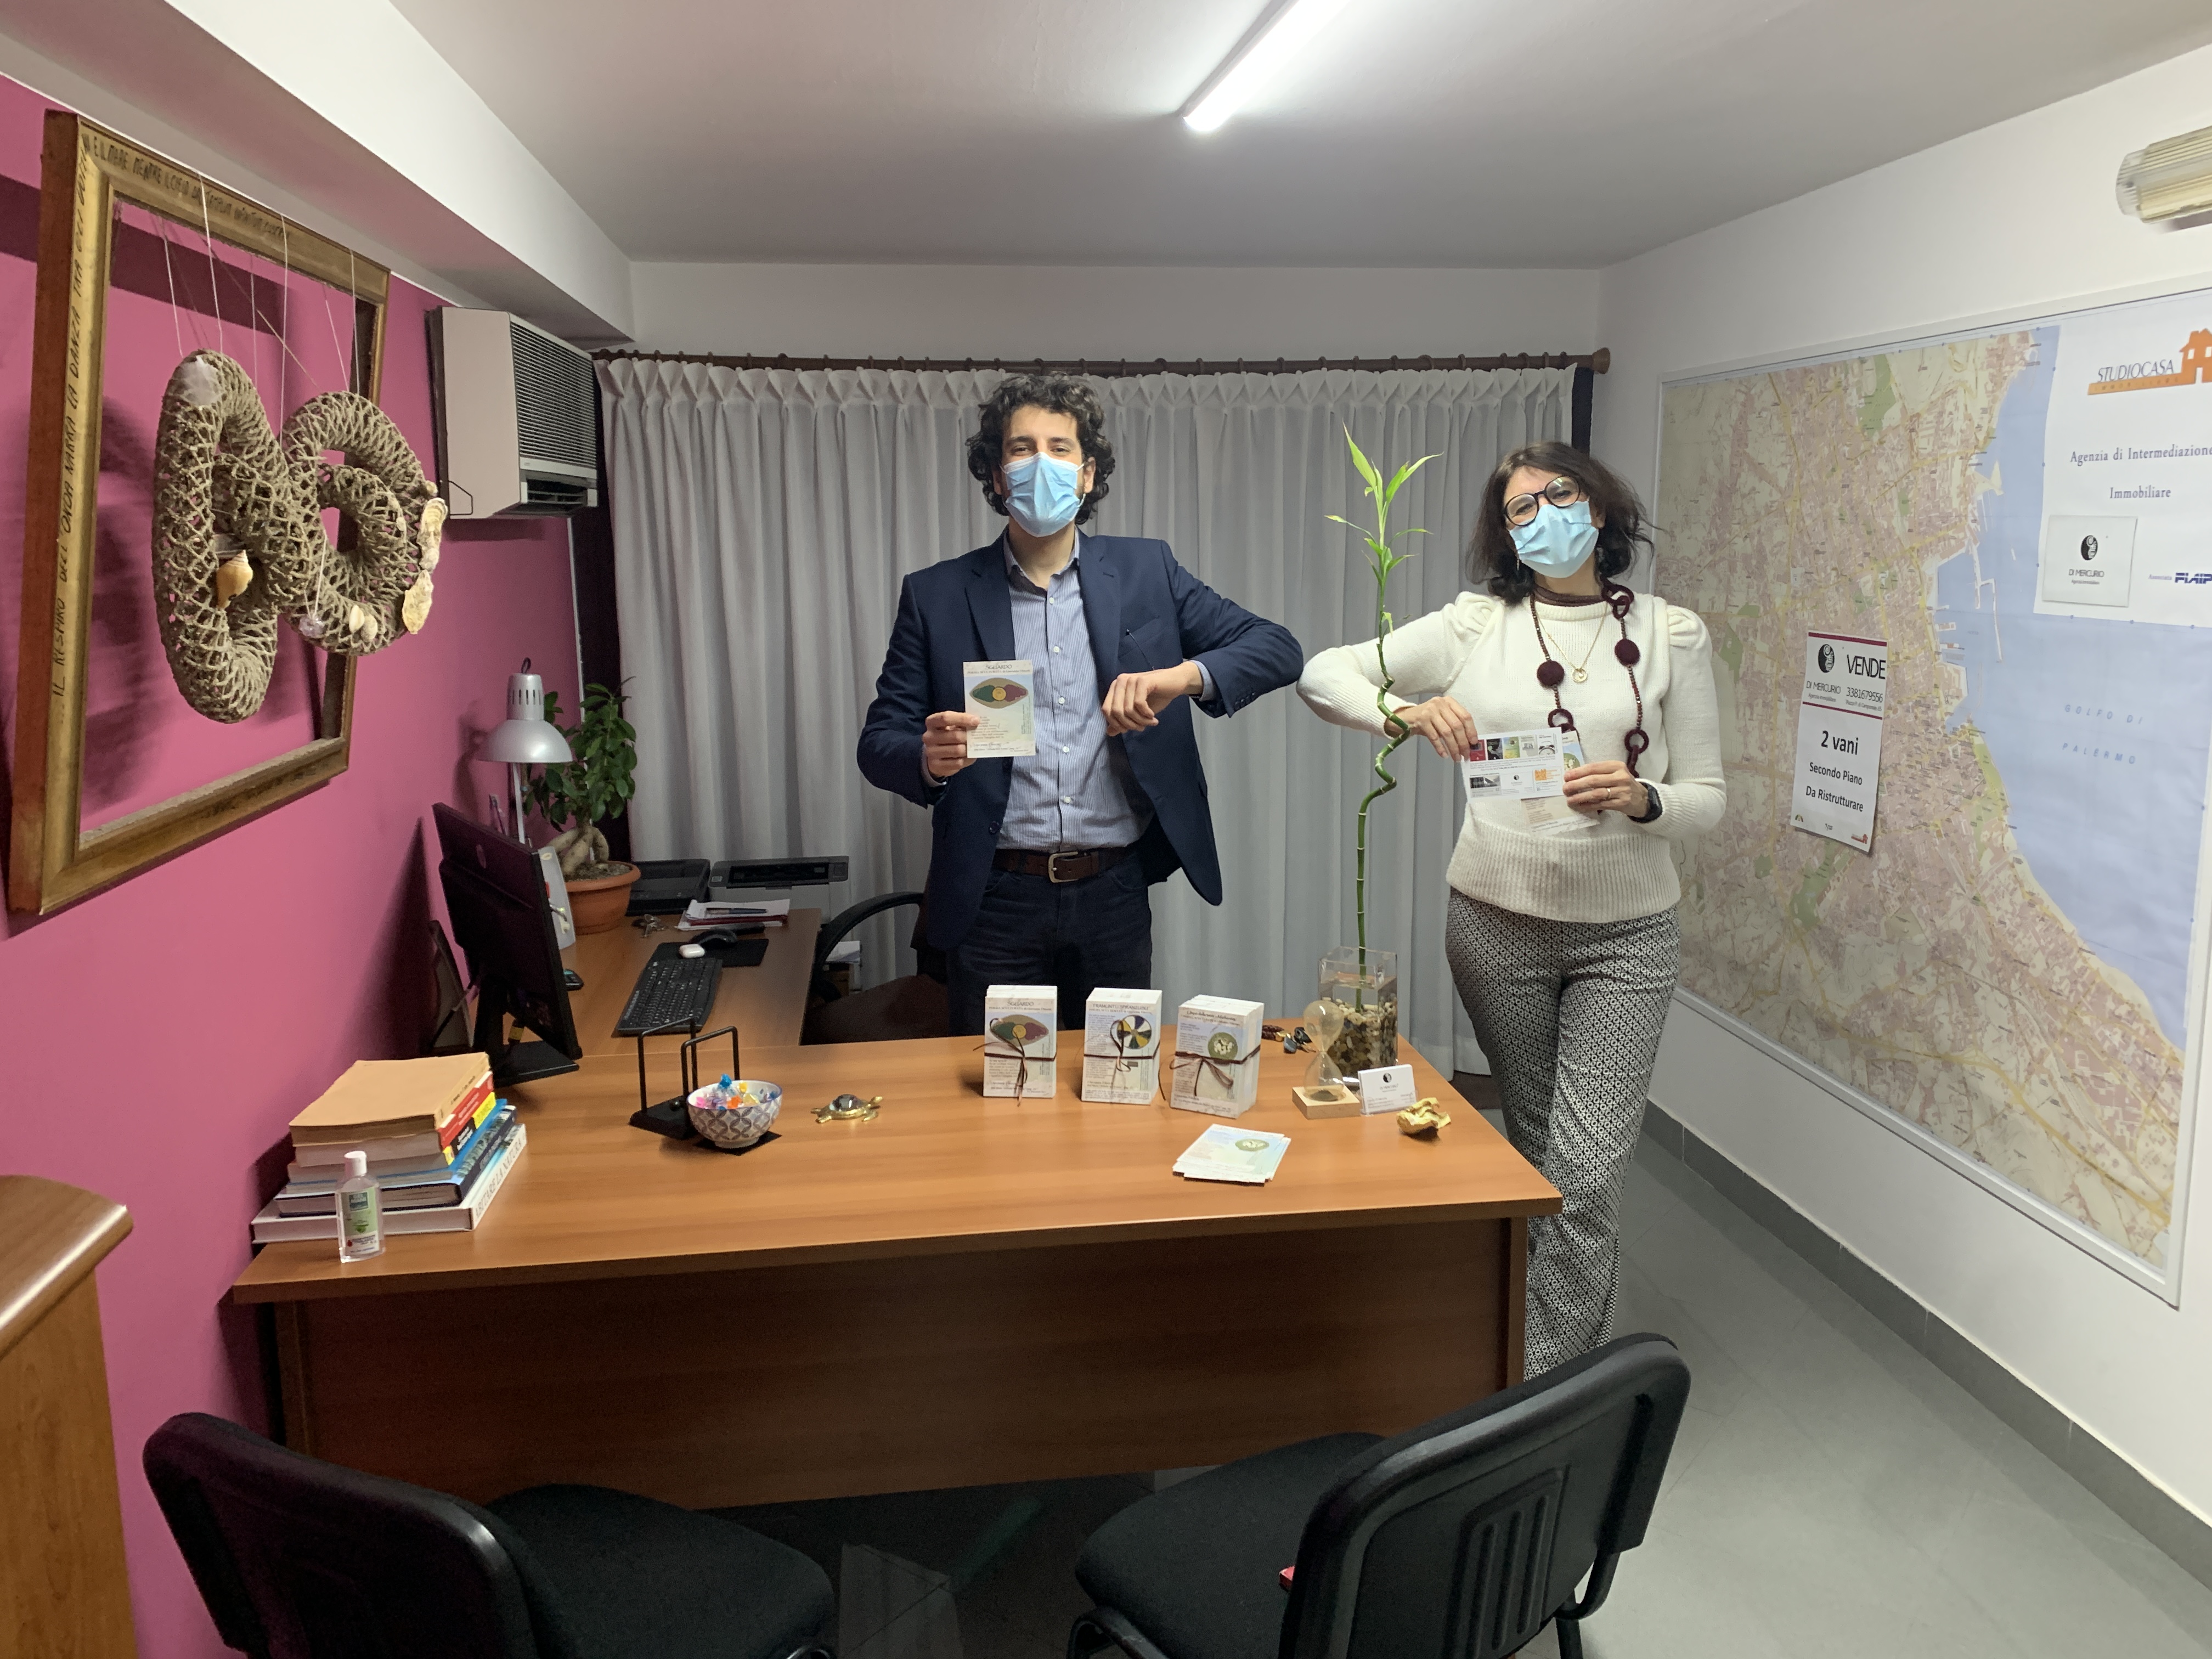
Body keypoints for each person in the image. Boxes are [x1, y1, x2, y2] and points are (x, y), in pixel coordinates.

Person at [1296, 441, 1723, 1375]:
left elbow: (1709, 797)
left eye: (1556, 495)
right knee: (1535, 1151)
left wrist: (1644, 797)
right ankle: (1528, 1344)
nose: (1540, 516)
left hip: (1627, 938)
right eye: (1519, 508)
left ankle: (1538, 1388)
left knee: (1586, 1171)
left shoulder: (1671, 632)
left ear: (1597, 508)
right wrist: (1404, 713)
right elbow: (1322, 675)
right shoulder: (1473, 625)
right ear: (1505, 533)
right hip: (1495, 926)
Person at [857, 373, 1303, 1035]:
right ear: (998, 475)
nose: (1042, 463)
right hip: (994, 897)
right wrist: (927, 757)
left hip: (1113, 891)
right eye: (1022, 448)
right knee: (1004, 1084)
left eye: (1060, 448)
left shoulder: (1149, 571)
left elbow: (1278, 648)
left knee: (1116, 1076)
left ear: (1088, 474)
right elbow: (879, 742)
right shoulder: (937, 594)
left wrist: (1180, 678)